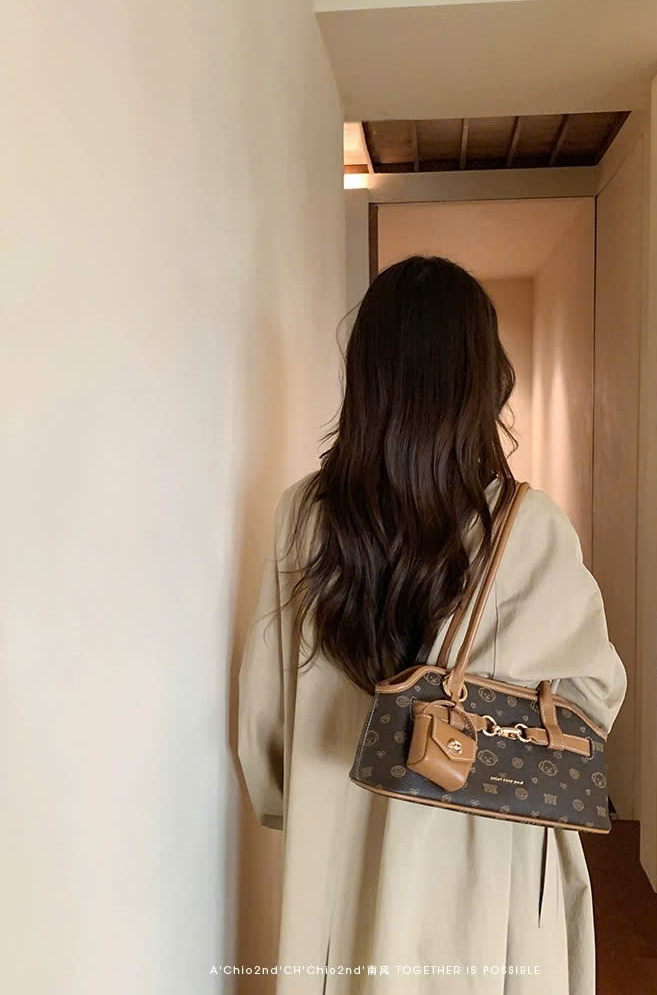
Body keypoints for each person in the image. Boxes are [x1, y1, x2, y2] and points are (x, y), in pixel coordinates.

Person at [238, 255, 628, 994]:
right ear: (481, 379)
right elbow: (591, 701)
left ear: (368, 376)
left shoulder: (305, 516)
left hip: (338, 836)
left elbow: (265, 715)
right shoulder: (527, 526)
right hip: (481, 852)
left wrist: (298, 802)